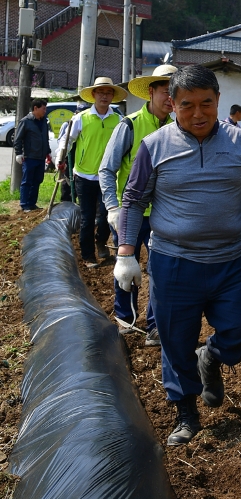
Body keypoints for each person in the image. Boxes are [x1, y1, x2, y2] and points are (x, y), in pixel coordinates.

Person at [113, 64, 241, 447]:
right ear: (171, 105)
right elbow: (133, 199)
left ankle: (213, 356)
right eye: (187, 105)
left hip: (230, 260)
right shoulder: (155, 146)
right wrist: (126, 253)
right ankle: (186, 413)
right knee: (174, 341)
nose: (198, 114)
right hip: (173, 262)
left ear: (218, 101)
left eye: (206, 104)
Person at [99, 64, 177, 346]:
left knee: (161, 270)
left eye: (175, 92)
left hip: (163, 215)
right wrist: (112, 207)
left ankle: (155, 326)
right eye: (166, 92)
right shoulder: (129, 125)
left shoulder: (178, 129)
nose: (171, 98)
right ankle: (125, 320)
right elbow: (106, 169)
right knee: (126, 269)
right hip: (130, 214)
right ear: (151, 91)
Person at [56, 78, 127, 268]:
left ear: (112, 96)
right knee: (87, 218)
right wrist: (60, 158)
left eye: (108, 93)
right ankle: (88, 256)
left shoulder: (118, 120)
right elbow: (66, 140)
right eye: (101, 92)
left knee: (106, 216)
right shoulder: (81, 118)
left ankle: (101, 243)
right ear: (94, 95)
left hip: (108, 176)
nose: (104, 96)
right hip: (84, 176)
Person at [13, 98, 49, 212]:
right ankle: (24, 204)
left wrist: (48, 152)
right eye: (43, 108)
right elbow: (18, 139)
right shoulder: (26, 121)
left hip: (41, 157)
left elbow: (45, 138)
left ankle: (32, 203)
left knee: (37, 180)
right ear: (35, 108)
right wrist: (18, 153)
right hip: (30, 157)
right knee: (27, 181)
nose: (45, 111)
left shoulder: (44, 121)